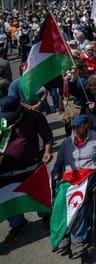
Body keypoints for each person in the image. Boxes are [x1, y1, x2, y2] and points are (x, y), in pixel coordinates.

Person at [51, 114, 96, 258]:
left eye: (78, 127)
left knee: (79, 203)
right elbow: (57, 165)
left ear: (86, 126)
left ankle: (78, 240)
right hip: (70, 177)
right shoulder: (66, 143)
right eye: (73, 127)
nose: (75, 129)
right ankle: (63, 237)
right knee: (59, 203)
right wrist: (55, 175)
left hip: (90, 174)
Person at [0, 96, 54, 246]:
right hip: (4, 169)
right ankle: (18, 223)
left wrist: (47, 151)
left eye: (10, 114)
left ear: (18, 108)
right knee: (7, 197)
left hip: (30, 165)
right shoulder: (2, 119)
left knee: (38, 193)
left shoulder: (33, 116)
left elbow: (47, 135)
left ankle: (46, 216)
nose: (7, 117)